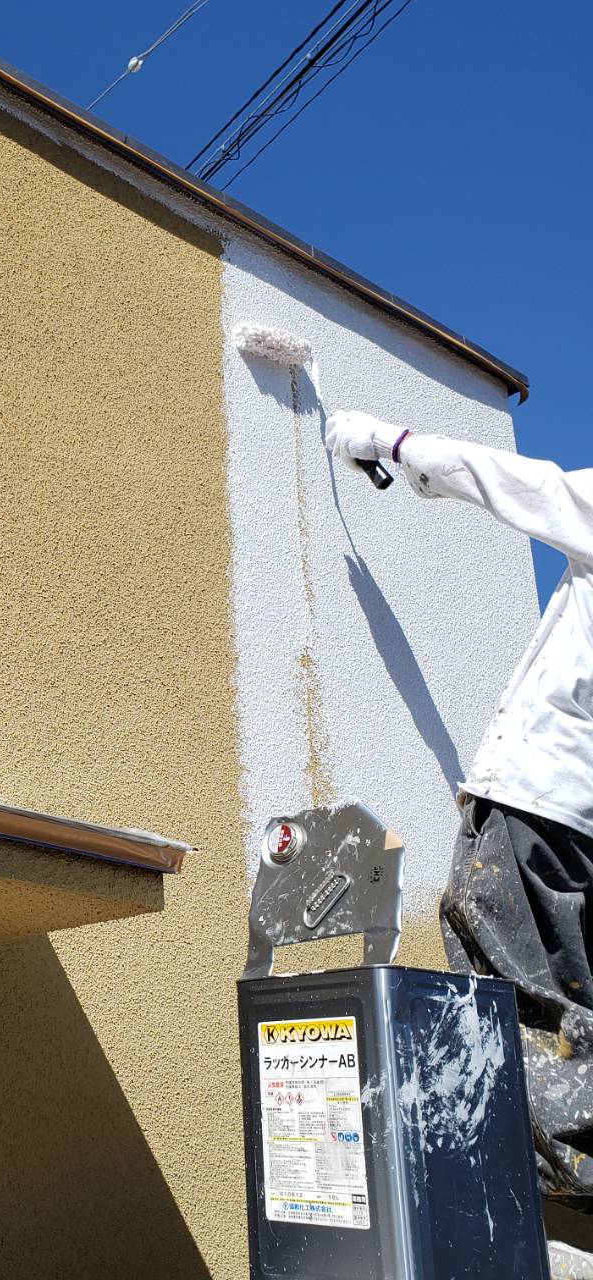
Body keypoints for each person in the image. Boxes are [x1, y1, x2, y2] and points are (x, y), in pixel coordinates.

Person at [326, 410, 593, 1207]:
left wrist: (393, 445)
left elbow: (524, 486)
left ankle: (564, 1176)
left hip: (539, 794)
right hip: (578, 820)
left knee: (498, 953)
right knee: (565, 994)